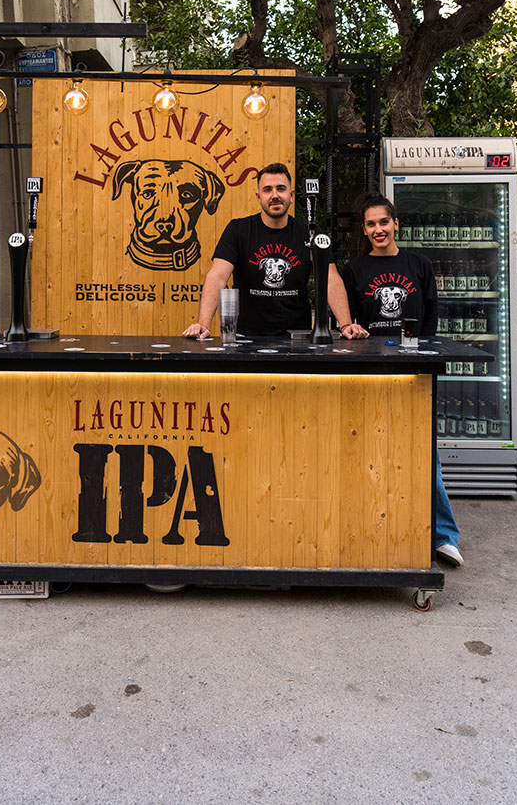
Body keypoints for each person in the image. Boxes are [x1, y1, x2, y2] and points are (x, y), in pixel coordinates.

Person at [341, 192, 464, 568]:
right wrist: (352, 331)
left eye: (384, 222)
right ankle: (376, 527)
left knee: (425, 454)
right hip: (371, 372)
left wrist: (422, 360)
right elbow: (346, 323)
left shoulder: (419, 264)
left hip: (414, 371)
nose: (378, 229)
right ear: (364, 230)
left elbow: (431, 318)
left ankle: (444, 537)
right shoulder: (353, 269)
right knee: (370, 454)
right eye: (371, 224)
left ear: (396, 224)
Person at [183, 163, 367, 340]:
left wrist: (346, 324)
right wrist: (203, 324)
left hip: (297, 338)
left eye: (281, 189)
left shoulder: (309, 232)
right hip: (247, 338)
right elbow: (217, 276)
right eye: (267, 190)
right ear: (258, 197)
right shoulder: (238, 230)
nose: (274, 195)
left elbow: (330, 279)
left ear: (291, 195)